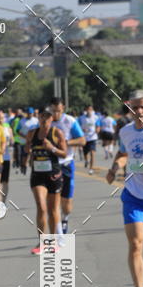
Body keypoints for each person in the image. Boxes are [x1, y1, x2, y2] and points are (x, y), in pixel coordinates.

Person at [106, 90, 143, 287]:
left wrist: (139, 167)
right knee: (136, 244)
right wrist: (115, 167)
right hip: (134, 197)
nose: (139, 111)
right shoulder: (125, 131)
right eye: (135, 107)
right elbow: (123, 154)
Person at [26, 106, 67, 254]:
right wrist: (28, 150)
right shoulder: (32, 133)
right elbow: (26, 149)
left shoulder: (57, 133)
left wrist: (52, 148)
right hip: (37, 176)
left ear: (52, 119)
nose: (44, 120)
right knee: (41, 207)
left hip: (53, 175)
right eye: (42, 117)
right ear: (39, 118)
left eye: (47, 117)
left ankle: (53, 241)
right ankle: (42, 242)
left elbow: (64, 153)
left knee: (53, 210)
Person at [50, 97, 85, 234]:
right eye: (53, 111)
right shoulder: (47, 121)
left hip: (66, 164)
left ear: (63, 108)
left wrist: (65, 143)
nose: (56, 114)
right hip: (51, 165)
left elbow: (82, 140)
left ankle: (65, 218)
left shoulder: (70, 121)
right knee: (53, 201)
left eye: (58, 111)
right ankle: (57, 232)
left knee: (67, 202)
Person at [0, 108, 13, 203]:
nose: (0, 120)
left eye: (1, 118)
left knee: (5, 182)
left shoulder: (8, 129)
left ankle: (3, 202)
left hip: (6, 158)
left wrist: (8, 142)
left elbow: (12, 141)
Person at [17, 107, 39, 175]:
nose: (30, 115)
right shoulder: (22, 121)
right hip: (24, 141)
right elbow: (17, 130)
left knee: (32, 154)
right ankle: (24, 165)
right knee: (25, 155)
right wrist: (25, 136)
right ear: (26, 113)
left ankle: (32, 167)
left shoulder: (36, 120)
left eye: (31, 113)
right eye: (28, 113)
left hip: (33, 141)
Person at [80, 105, 99, 173]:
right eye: (88, 109)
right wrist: (82, 129)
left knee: (92, 153)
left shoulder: (96, 117)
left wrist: (97, 130)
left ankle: (91, 169)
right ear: (86, 110)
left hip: (93, 137)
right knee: (85, 153)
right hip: (85, 138)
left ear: (92, 110)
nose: (89, 111)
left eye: (90, 109)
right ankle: (86, 160)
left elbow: (98, 126)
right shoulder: (81, 118)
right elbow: (78, 127)